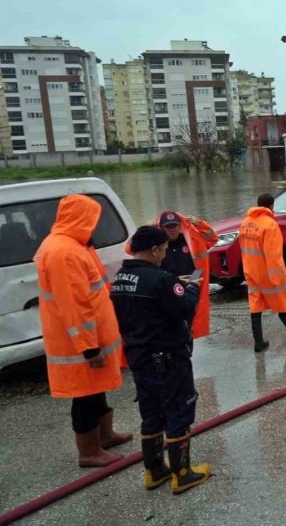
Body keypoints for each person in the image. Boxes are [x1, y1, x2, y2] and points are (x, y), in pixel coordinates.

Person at [110, 226, 210, 494]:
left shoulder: (120, 279)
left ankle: (155, 471)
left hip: (139, 358)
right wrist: (190, 288)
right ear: (154, 249)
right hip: (167, 358)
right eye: (163, 251)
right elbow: (184, 308)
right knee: (178, 410)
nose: (165, 256)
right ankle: (183, 474)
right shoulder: (160, 280)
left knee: (151, 413)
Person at [33, 194, 131, 468]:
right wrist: (88, 347)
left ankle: (105, 435)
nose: (95, 225)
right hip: (78, 344)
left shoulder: (73, 245)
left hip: (89, 338)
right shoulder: (64, 252)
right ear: (79, 218)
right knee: (85, 395)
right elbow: (74, 305)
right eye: (92, 219)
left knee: (95, 389)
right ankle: (89, 451)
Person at [240, 194, 286, 352]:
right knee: (281, 301)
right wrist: (278, 275)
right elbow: (273, 254)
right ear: (271, 206)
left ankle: (258, 342)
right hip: (267, 272)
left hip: (251, 270)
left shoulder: (246, 223)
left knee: (255, 305)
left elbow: (243, 247)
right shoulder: (270, 224)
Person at [157, 210, 219, 339]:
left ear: (180, 226)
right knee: (172, 322)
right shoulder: (156, 244)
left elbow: (213, 238)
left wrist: (199, 224)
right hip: (169, 285)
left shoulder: (191, 238)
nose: (172, 230)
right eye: (168, 227)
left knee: (191, 320)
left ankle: (186, 345)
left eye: (174, 226)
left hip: (193, 281)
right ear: (161, 228)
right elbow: (130, 249)